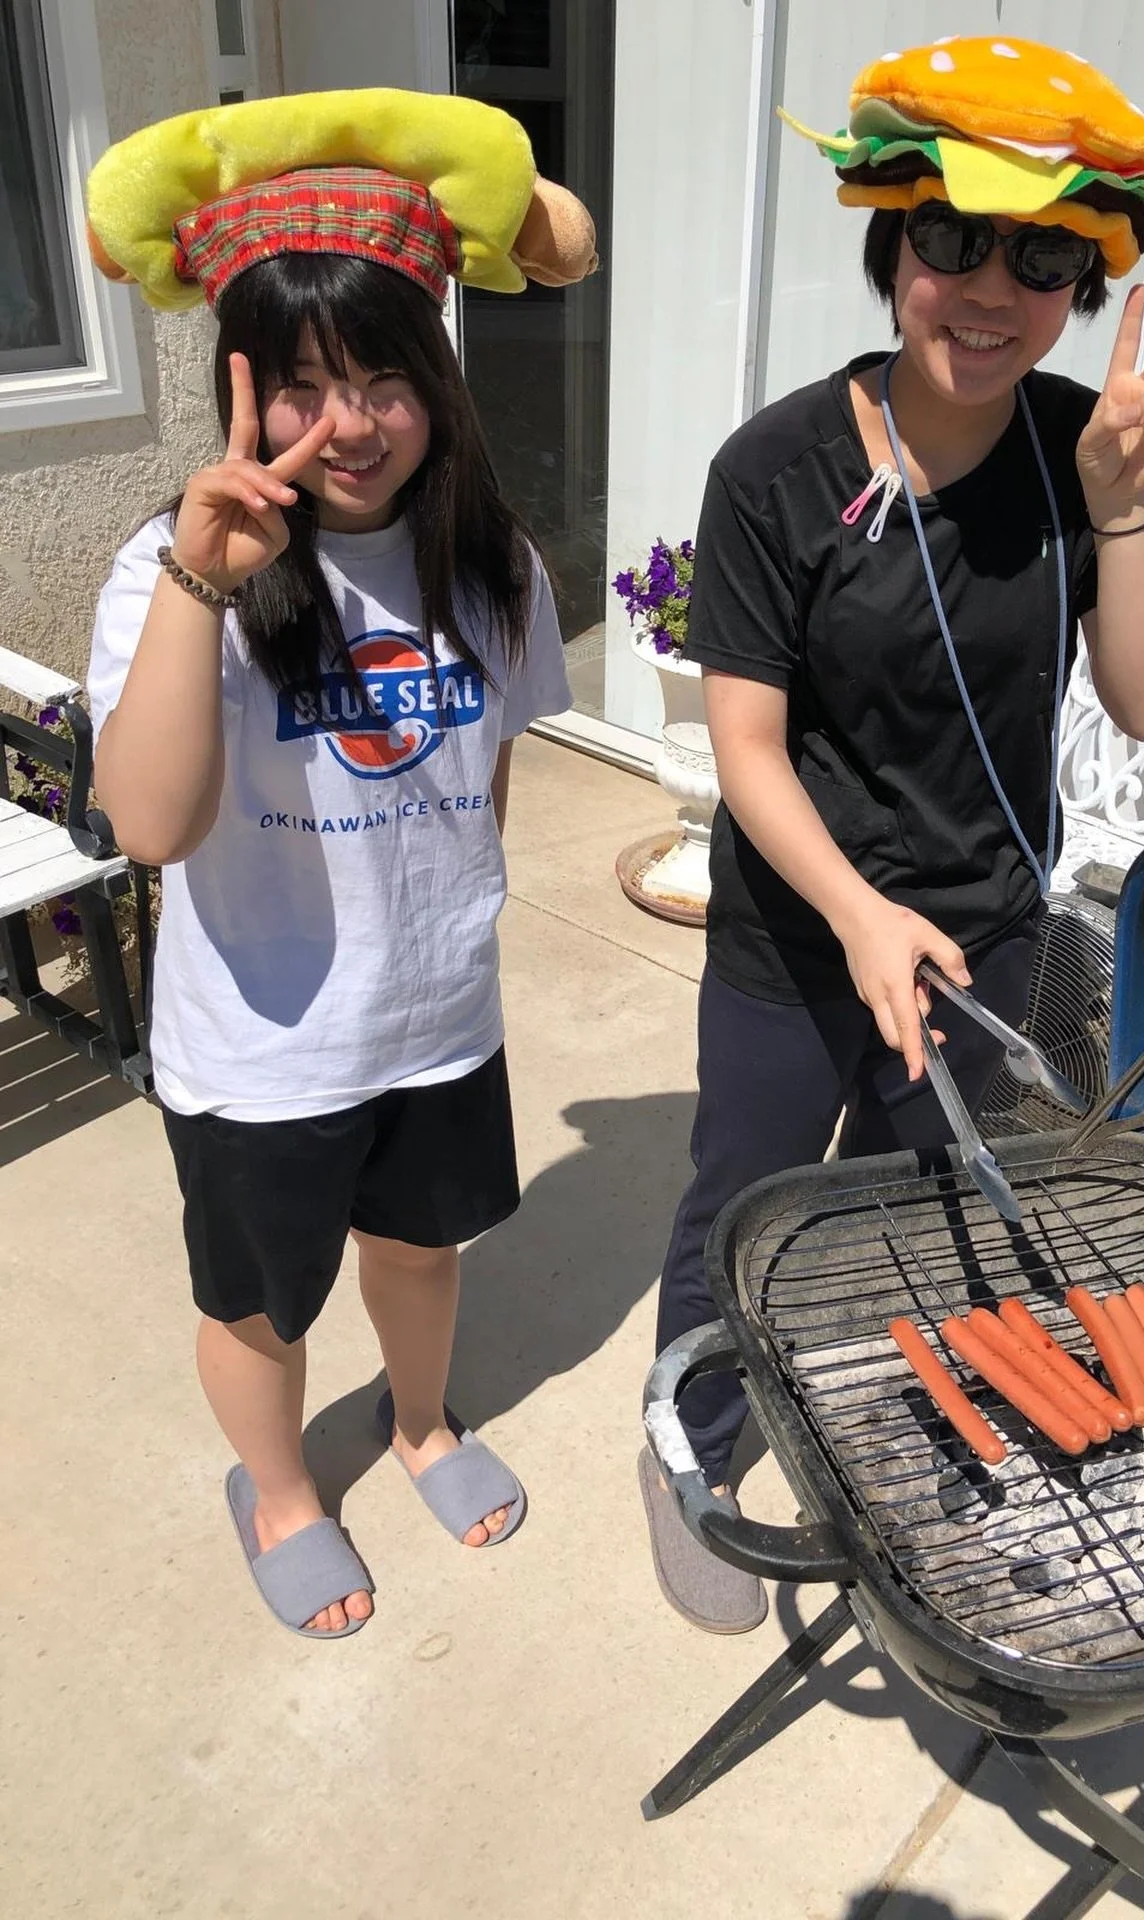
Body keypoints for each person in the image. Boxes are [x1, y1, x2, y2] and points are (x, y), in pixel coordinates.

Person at [641, 36, 1144, 1632]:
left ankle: (882, 1441)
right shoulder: (777, 467)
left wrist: (1121, 506)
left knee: (914, 1219)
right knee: (742, 1201)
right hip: (796, 933)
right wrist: (855, 912)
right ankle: (690, 1445)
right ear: (895, 245)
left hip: (983, 930)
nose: (988, 289)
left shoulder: (1086, 443)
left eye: (1041, 259)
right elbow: (745, 745)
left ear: (1082, 284)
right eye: (952, 241)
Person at [82, 90, 598, 1638]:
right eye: (302, 385)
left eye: (383, 377)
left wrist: (453, 929)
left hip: (433, 1016)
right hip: (258, 1049)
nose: (348, 423)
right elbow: (151, 827)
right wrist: (197, 580)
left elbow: (483, 774)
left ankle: (421, 1424)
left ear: (436, 384)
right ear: (240, 389)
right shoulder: (163, 570)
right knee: (257, 1303)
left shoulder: (492, 561)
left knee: (422, 1251)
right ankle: (282, 1491)